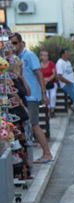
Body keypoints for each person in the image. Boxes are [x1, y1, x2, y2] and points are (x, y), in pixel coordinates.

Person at [8, 32, 52, 163]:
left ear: (21, 43)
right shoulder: (14, 58)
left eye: (15, 43)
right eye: (11, 43)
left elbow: (39, 74)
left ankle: (47, 153)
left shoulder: (29, 55)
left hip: (32, 96)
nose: (13, 46)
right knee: (30, 125)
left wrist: (44, 93)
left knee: (34, 124)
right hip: (25, 95)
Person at [40, 49, 57, 118]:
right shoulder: (39, 65)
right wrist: (44, 80)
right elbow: (39, 75)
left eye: (47, 55)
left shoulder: (51, 63)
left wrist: (48, 79)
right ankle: (47, 111)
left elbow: (54, 73)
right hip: (43, 83)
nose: (46, 57)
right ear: (41, 56)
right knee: (46, 95)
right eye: (44, 55)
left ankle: (52, 111)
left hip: (51, 82)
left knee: (53, 95)